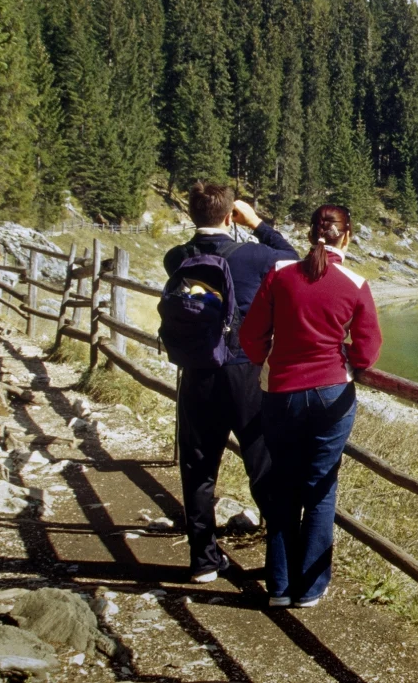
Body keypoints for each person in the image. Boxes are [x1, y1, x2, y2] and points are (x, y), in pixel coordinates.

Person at [240, 204, 381, 608]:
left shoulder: (280, 274)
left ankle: (280, 586)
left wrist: (269, 360)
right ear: (346, 236)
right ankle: (311, 587)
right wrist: (346, 358)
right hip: (331, 394)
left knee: (283, 485)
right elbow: (368, 350)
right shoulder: (355, 283)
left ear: (309, 235)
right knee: (320, 488)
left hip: (281, 392)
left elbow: (251, 336)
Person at [163, 182, 298, 583]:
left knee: (198, 466)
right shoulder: (256, 256)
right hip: (245, 371)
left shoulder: (177, 257)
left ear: (192, 215)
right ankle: (281, 562)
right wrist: (256, 223)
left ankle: (203, 560)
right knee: (262, 464)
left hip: (198, 372)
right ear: (229, 216)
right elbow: (292, 258)